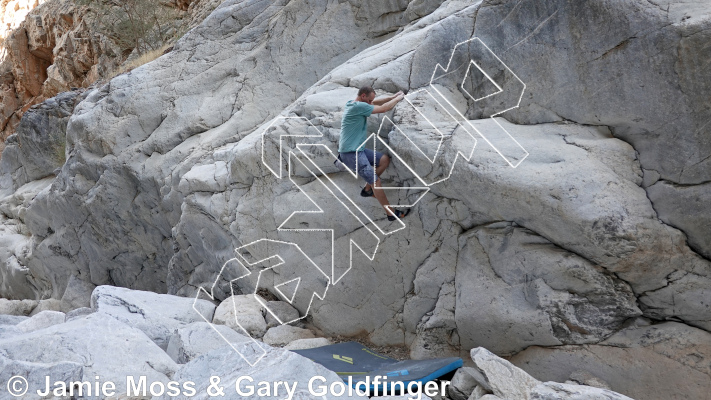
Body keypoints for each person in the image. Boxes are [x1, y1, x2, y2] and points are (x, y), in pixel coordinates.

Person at [338, 86, 409, 221]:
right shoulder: (357, 107)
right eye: (369, 100)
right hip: (351, 153)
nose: (371, 103)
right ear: (363, 96)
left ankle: (367, 190)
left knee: (384, 160)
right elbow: (383, 109)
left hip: (358, 149)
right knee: (376, 181)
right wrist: (400, 98)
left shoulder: (354, 103)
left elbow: (378, 102)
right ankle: (391, 214)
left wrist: (393, 97)